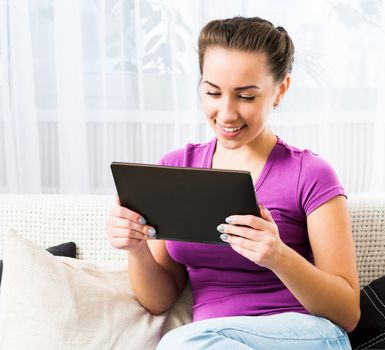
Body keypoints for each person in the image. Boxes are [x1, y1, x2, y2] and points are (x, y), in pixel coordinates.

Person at [106, 16, 360, 350]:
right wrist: (136, 249)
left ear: (280, 90)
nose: (226, 113)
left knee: (180, 343)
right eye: (212, 92)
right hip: (211, 342)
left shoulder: (310, 174)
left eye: (246, 96)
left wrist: (278, 256)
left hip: (306, 335)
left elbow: (347, 313)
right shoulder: (177, 168)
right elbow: (159, 301)